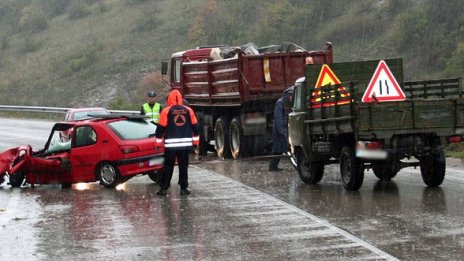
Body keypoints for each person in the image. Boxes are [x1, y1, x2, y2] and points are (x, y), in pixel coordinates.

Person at [155, 89, 199, 196]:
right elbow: (196, 128)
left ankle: (164, 188)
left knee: (168, 166)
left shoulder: (166, 111)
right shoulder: (189, 110)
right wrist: (195, 143)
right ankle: (184, 188)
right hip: (185, 145)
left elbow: (160, 129)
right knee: (183, 166)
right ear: (181, 98)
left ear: (169, 99)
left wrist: (158, 143)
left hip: (170, 146)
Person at [269, 86, 294, 172]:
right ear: (287, 95)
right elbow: (278, 118)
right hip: (279, 130)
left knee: (284, 148)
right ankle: (272, 167)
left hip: (285, 129)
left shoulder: (288, 103)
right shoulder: (280, 103)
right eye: (290, 96)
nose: (291, 98)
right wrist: (281, 130)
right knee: (277, 149)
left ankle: (274, 166)